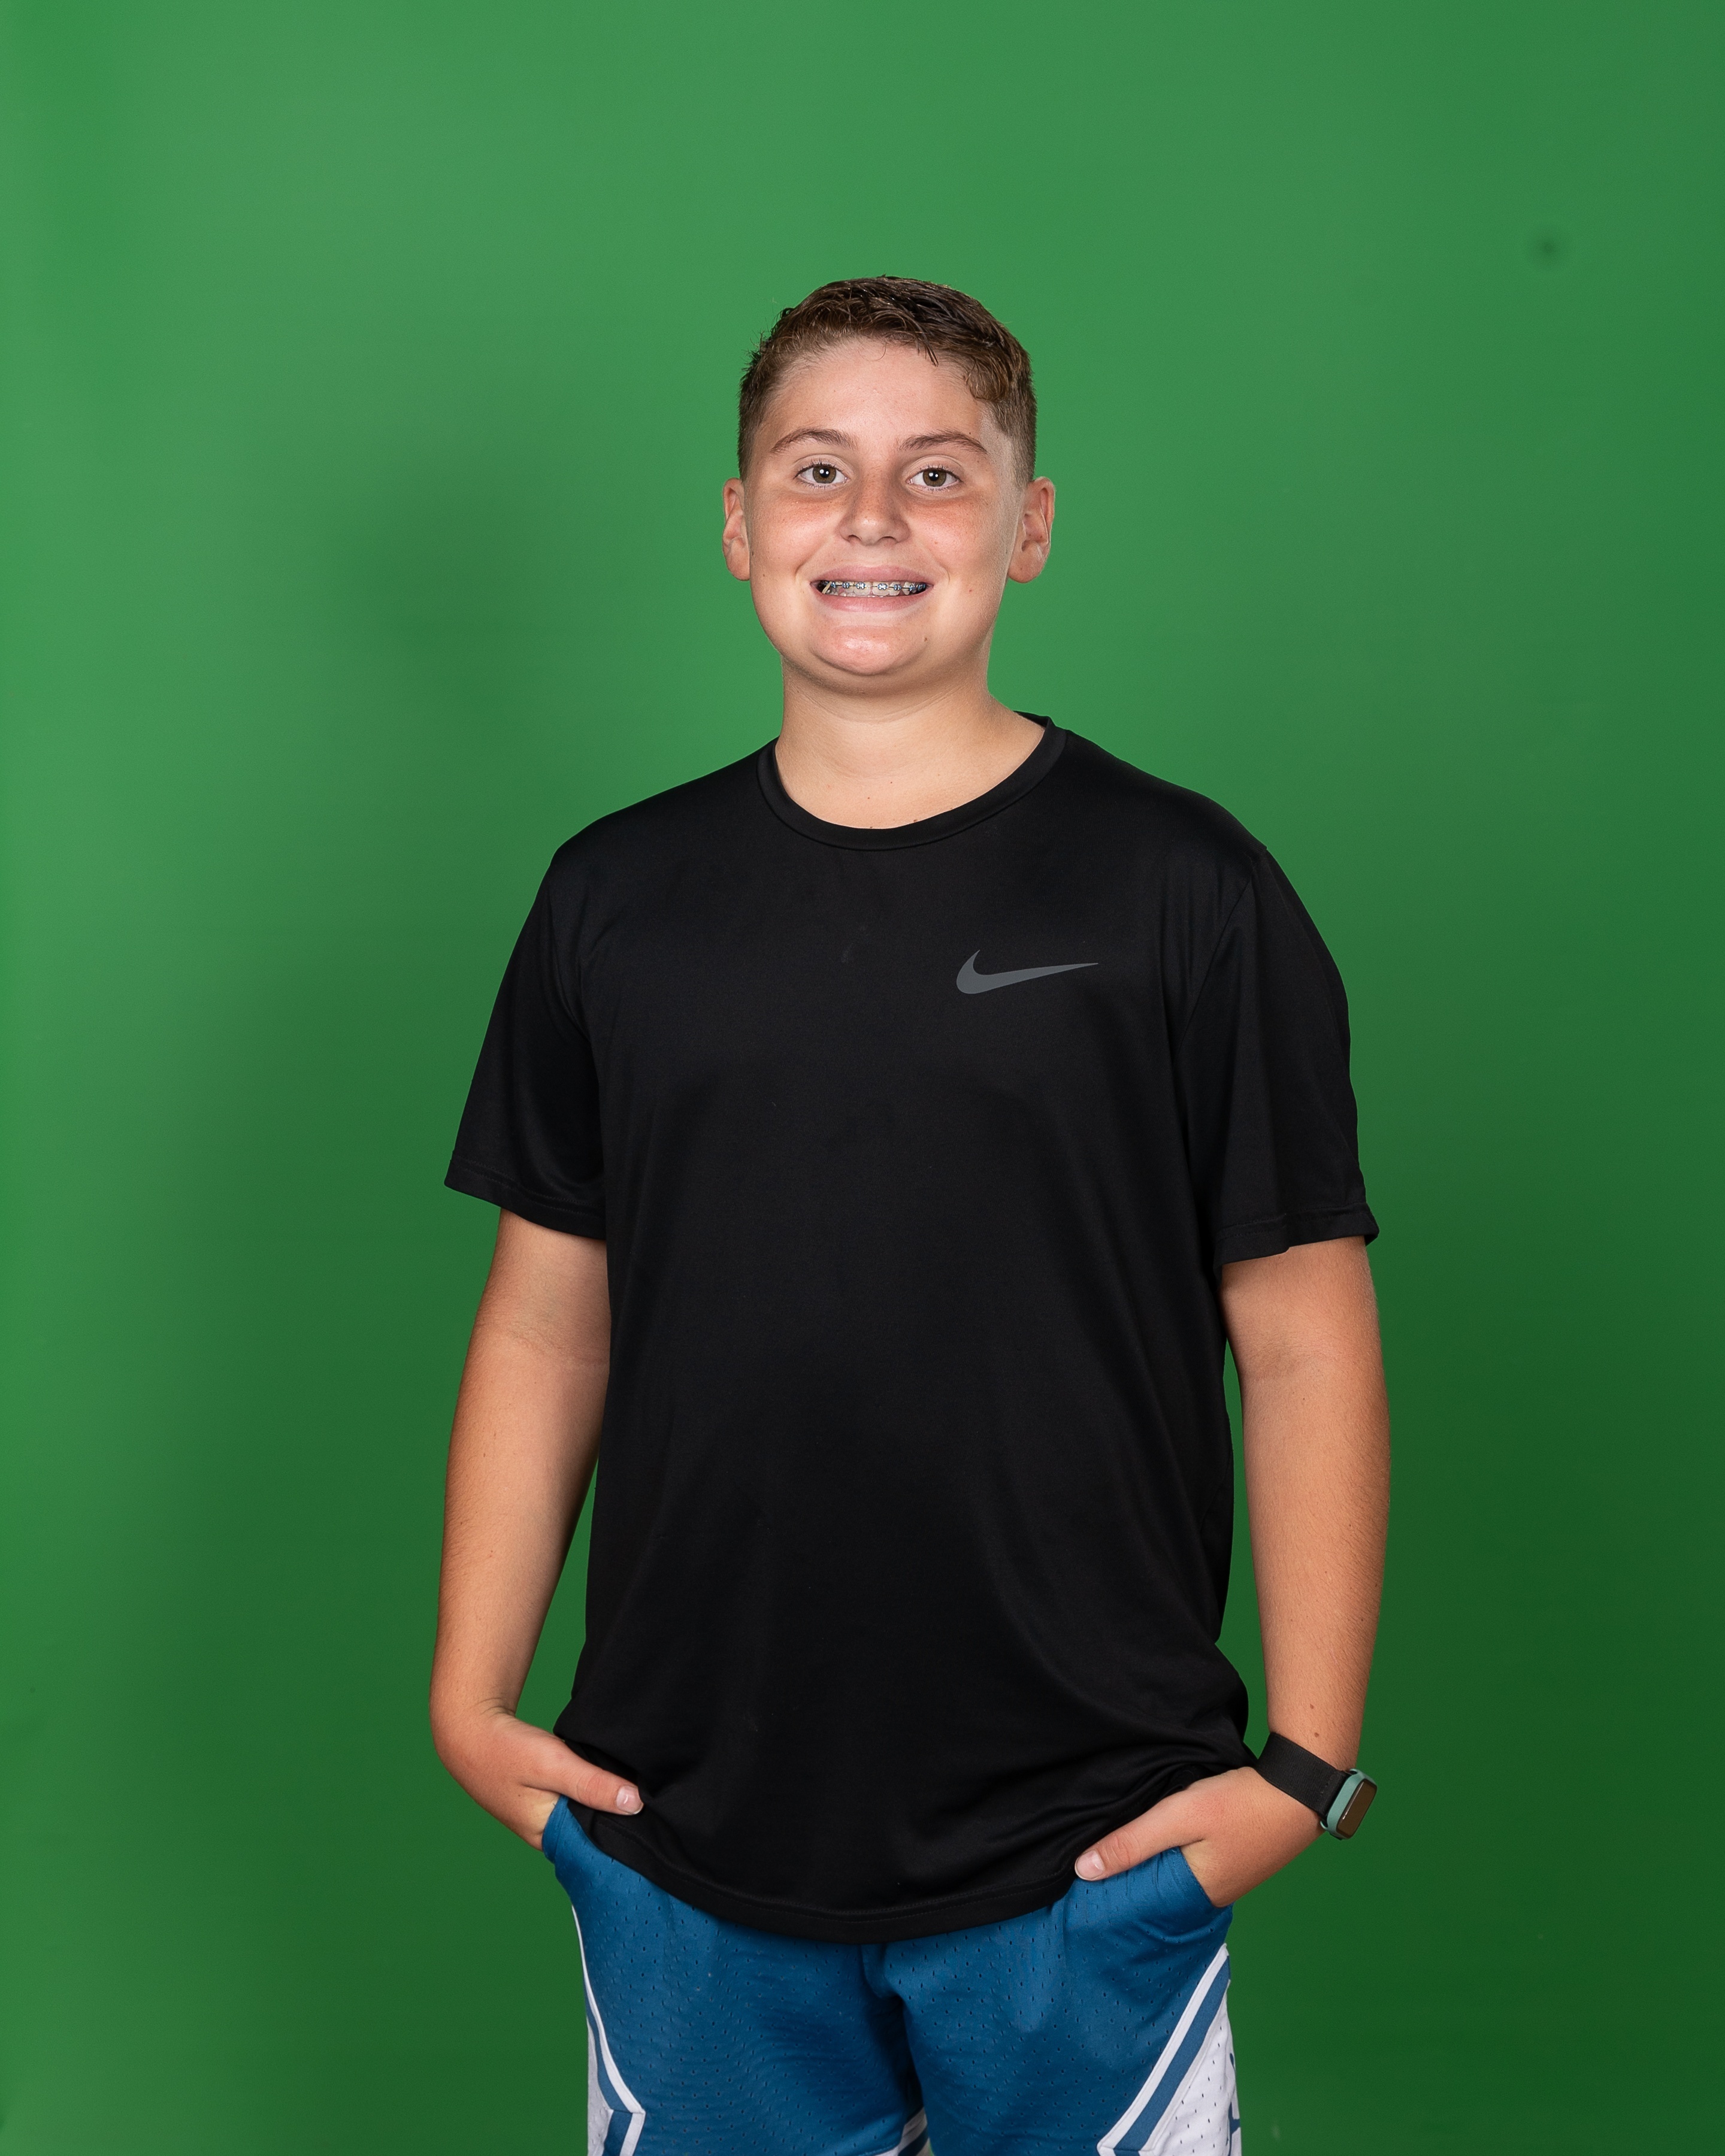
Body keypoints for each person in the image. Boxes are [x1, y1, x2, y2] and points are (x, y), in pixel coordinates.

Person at [432, 276, 1390, 2156]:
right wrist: (472, 1702)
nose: (873, 517)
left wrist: (1308, 1762)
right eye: (818, 470)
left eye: (939, 472)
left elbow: (1302, 1335)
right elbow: (550, 1321)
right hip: (684, 1827)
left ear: (1030, 526)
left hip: (1091, 1834)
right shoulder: (615, 900)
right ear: (739, 523)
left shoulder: (1185, 890)